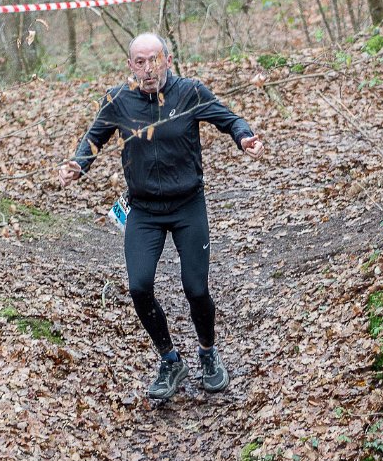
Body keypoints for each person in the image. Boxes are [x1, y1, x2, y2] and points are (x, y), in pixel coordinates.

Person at [59, 32, 264, 401]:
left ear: (167, 60)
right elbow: (94, 137)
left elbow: (228, 119)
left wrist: (244, 137)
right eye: (140, 62)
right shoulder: (118, 100)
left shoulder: (189, 93)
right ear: (130, 66)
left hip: (187, 205)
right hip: (144, 210)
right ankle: (170, 360)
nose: (148, 68)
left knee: (196, 288)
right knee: (139, 287)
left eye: (154, 59)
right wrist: (78, 164)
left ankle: (207, 353)